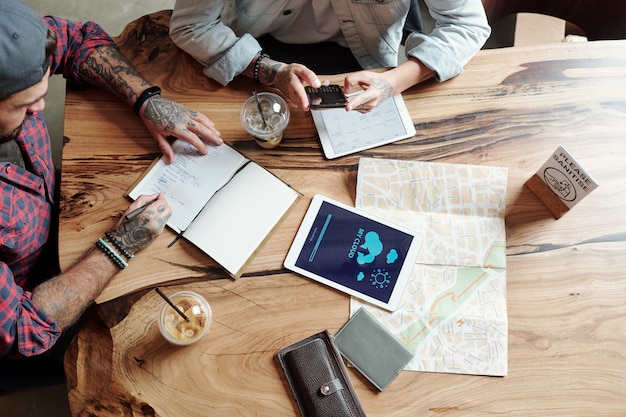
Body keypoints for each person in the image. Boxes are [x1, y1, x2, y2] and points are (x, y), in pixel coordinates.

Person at [0, 0, 223, 389]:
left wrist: (146, 100)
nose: (41, 107)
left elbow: (77, 40)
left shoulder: (13, 38)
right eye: (24, 104)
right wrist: (120, 245)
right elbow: (24, 330)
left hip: (63, 222)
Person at [169, 0, 491, 113]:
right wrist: (269, 69)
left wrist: (392, 82)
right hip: (256, 51)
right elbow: (191, 24)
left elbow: (467, 23)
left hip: (370, 59)